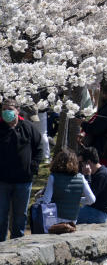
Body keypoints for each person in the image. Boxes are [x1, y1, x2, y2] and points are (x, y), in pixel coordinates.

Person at [0, 99, 41, 241]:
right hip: (2, 181)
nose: (6, 112)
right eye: (4, 109)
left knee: (20, 215)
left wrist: (33, 168)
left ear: (17, 110)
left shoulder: (28, 128)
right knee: (1, 214)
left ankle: (17, 242)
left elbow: (39, 149)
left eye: (9, 109)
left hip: (23, 181)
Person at [38, 149, 96, 230]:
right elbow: (91, 200)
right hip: (72, 220)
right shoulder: (81, 178)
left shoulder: (53, 177)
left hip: (55, 219)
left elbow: (46, 200)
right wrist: (76, 200)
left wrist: (38, 200)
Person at [76, 147, 107, 224]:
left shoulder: (102, 175)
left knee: (66, 215)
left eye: (81, 163)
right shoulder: (97, 173)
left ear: (88, 162)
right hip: (92, 209)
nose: (80, 166)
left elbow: (89, 197)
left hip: (99, 213)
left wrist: (87, 176)